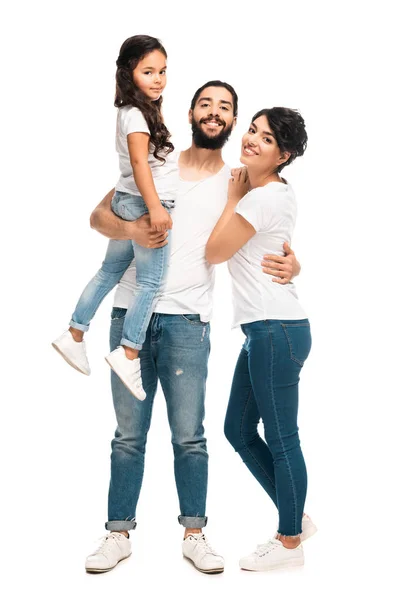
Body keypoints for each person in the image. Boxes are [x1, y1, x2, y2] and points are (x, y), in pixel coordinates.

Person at [84, 85, 301, 575]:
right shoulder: (153, 162)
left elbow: (273, 225)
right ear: (190, 113)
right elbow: (98, 217)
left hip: (188, 323)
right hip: (128, 317)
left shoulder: (240, 179)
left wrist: (295, 262)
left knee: (190, 437)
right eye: (206, 103)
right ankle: (116, 535)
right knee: (128, 436)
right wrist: (132, 230)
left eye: (225, 107)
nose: (214, 112)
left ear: (234, 121)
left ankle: (195, 534)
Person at [206, 107, 316, 572]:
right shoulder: (274, 191)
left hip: (274, 330)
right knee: (237, 429)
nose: (251, 139)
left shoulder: (257, 198)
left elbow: (214, 252)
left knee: (283, 437)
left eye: (266, 139)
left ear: (283, 154)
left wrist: (233, 196)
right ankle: (295, 518)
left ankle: (289, 542)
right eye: (252, 130)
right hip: (268, 330)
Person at [52, 35, 177, 400]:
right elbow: (140, 164)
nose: (158, 79)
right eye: (148, 71)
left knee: (110, 271)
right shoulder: (137, 115)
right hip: (142, 204)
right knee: (150, 283)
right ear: (129, 73)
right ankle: (129, 352)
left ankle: (74, 334)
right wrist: (155, 209)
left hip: (126, 200)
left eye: (163, 71)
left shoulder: (133, 110)